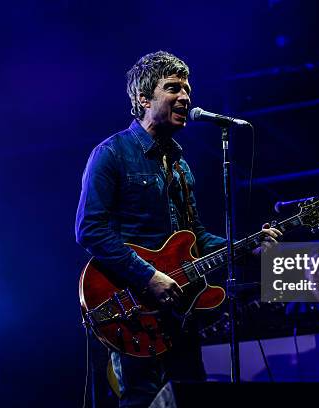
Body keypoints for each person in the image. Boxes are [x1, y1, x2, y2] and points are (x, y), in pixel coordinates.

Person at [75, 51, 280, 408]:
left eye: (187, 89)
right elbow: (89, 229)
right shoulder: (112, 153)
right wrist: (147, 276)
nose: (185, 97)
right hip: (133, 308)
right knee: (142, 399)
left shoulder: (181, 164)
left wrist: (249, 245)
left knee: (190, 396)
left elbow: (195, 237)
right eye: (172, 88)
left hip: (179, 313)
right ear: (143, 98)